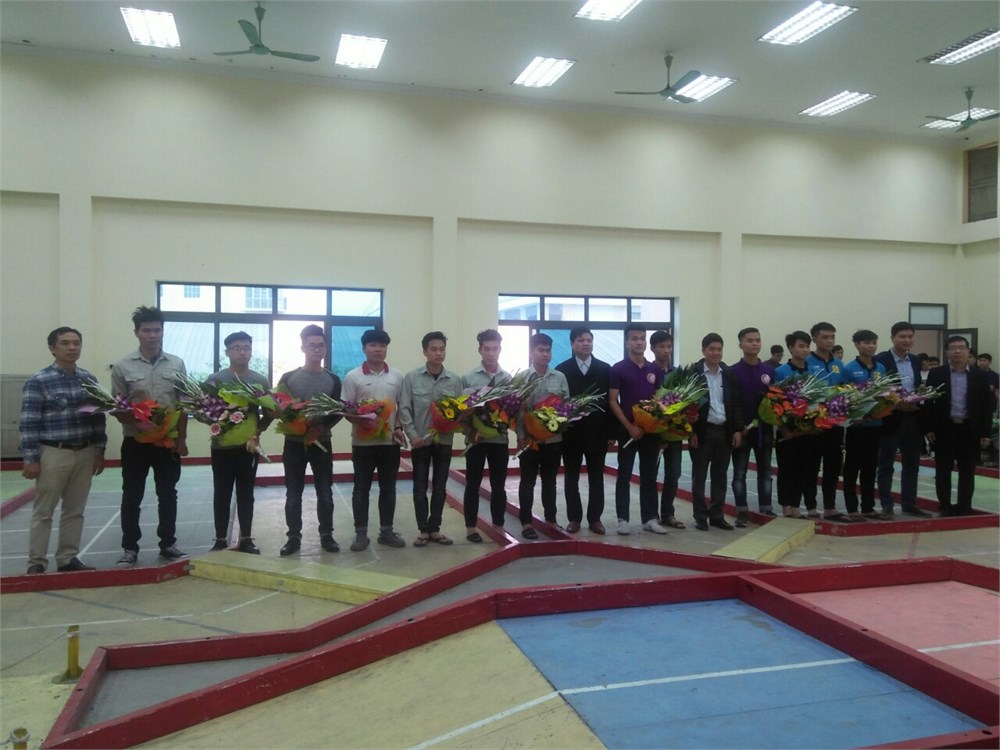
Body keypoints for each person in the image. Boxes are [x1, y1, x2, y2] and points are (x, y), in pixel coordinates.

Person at [19, 327, 107, 574]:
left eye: (76, 343)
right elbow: (29, 422)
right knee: (43, 511)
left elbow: (98, 417)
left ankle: (67, 559)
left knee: (75, 510)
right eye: (65, 343)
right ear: (52, 348)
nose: (72, 348)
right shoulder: (39, 381)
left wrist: (99, 451)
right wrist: (30, 458)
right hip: (53, 453)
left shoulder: (89, 379)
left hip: (85, 452)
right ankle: (36, 562)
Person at [112, 306, 189, 567]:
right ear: (137, 333)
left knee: (168, 494)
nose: (152, 335)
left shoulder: (177, 364)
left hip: (167, 443)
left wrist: (181, 440)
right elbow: (117, 407)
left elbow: (183, 404)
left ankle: (168, 543)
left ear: (163, 332)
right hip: (135, 442)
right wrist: (139, 423)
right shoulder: (122, 366)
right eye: (147, 330)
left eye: (157, 330)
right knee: (132, 495)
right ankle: (130, 547)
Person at [276, 325, 342, 556]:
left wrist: (321, 427)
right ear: (302, 347)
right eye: (312, 345)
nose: (316, 349)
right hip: (294, 444)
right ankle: (293, 537)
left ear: (325, 349)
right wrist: (296, 423)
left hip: (322, 443)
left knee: (325, 491)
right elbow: (280, 408)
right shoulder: (288, 378)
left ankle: (327, 535)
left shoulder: (333, 379)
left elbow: (337, 411)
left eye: (320, 345)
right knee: (294, 493)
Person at [206, 332, 271, 554]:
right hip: (221, 448)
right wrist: (217, 424)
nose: (242, 352)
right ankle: (220, 539)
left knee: (246, 493)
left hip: (248, 448)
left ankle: (246, 538)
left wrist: (258, 431)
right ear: (227, 352)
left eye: (246, 348)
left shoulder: (259, 380)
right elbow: (204, 411)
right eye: (237, 348)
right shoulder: (215, 380)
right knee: (221, 493)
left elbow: (269, 412)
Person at [342, 328, 407, 551]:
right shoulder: (353, 376)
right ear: (364, 349)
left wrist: (398, 427)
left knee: (388, 489)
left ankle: (386, 532)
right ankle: (361, 535)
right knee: (361, 489)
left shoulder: (397, 376)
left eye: (382, 345)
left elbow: (400, 407)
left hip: (390, 444)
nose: (378, 349)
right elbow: (346, 409)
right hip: (363, 444)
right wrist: (363, 422)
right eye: (373, 345)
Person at [399, 331, 463, 547]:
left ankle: (435, 528)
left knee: (440, 487)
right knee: (419, 488)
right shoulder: (412, 378)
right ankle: (423, 530)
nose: (438, 353)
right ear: (425, 351)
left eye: (442, 349)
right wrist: (413, 436)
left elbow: (460, 411)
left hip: (444, 441)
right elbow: (405, 408)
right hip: (421, 442)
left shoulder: (454, 380)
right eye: (433, 349)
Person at [922, 336, 993, 516]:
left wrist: (986, 432)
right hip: (944, 429)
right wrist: (928, 428)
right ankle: (945, 506)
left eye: (962, 347)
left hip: (970, 429)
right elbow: (928, 403)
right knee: (943, 470)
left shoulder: (979, 375)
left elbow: (986, 405)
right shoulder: (937, 373)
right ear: (947, 352)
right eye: (953, 347)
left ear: (968, 351)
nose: (958, 351)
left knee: (967, 471)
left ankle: (964, 506)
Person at [609, 324, 668, 536]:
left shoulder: (654, 370)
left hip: (651, 431)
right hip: (628, 431)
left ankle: (650, 518)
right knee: (624, 475)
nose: (639, 342)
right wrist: (629, 426)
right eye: (634, 338)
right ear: (627, 342)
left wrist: (657, 421)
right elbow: (613, 401)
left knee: (649, 476)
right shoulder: (618, 369)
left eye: (642, 338)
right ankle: (623, 519)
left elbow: (658, 400)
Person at [555, 327, 612, 535]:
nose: (586, 343)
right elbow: (558, 403)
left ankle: (595, 519)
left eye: (589, 340)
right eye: (581, 340)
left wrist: (612, 433)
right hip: (572, 433)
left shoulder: (605, 369)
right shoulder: (562, 369)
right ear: (572, 344)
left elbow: (610, 402)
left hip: (598, 432)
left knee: (597, 478)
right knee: (571, 477)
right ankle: (574, 518)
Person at [874, 322, 931, 517]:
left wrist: (918, 399)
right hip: (890, 418)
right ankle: (887, 505)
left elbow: (917, 386)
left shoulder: (915, 360)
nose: (907, 340)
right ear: (893, 338)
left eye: (910, 337)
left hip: (913, 419)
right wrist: (894, 402)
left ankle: (909, 503)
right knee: (886, 464)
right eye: (902, 336)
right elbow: (876, 388)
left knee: (912, 464)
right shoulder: (881, 360)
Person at [517, 333, 570, 539]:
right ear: (532, 352)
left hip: (553, 440)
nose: (545, 354)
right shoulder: (522, 378)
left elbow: (566, 408)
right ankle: (526, 522)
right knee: (527, 482)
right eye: (540, 350)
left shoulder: (559, 377)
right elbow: (518, 411)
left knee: (550, 482)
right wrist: (521, 436)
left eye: (548, 350)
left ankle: (551, 520)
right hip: (529, 441)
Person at [689, 333, 743, 531]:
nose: (715, 353)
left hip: (724, 431)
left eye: (719, 349)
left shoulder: (728, 374)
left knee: (720, 476)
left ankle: (717, 515)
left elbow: (735, 404)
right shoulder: (693, 373)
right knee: (699, 476)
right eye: (711, 349)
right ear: (703, 350)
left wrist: (737, 430)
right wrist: (691, 432)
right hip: (702, 432)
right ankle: (700, 516)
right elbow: (686, 405)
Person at [461, 329, 511, 542]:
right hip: (476, 440)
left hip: (499, 440)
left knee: (499, 485)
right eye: (487, 349)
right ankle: (471, 527)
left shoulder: (507, 379)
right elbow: (461, 413)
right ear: (480, 350)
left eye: (495, 349)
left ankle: (498, 524)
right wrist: (470, 432)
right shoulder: (468, 377)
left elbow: (512, 410)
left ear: (500, 350)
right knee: (473, 484)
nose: (491, 353)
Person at [729, 327, 776, 526]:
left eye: (757, 340)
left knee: (766, 472)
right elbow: (731, 403)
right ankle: (741, 512)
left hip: (764, 431)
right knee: (739, 473)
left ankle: (766, 508)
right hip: (741, 432)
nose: (754, 343)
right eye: (750, 340)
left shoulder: (769, 371)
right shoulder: (732, 372)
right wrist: (738, 428)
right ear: (740, 344)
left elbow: (776, 402)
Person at [842, 330, 888, 520]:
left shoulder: (881, 368)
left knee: (870, 468)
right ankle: (852, 509)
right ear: (856, 345)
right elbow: (843, 397)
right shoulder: (849, 369)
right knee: (852, 468)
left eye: (873, 342)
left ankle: (868, 507)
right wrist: (856, 416)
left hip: (876, 425)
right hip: (856, 426)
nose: (871, 346)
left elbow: (885, 393)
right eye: (866, 343)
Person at [805, 322, 847, 521]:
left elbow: (844, 390)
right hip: (813, 424)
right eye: (825, 337)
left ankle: (830, 507)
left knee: (833, 466)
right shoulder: (806, 362)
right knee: (811, 466)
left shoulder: (839, 364)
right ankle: (811, 507)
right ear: (814, 339)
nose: (829, 341)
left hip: (835, 423)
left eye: (832, 337)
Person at [774, 331, 813, 518]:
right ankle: (786, 504)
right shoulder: (781, 371)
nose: (805, 350)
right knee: (786, 469)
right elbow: (775, 401)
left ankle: (796, 504)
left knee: (802, 469)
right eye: (800, 346)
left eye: (807, 346)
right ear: (791, 348)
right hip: (787, 429)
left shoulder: (812, 371)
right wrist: (784, 429)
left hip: (807, 429)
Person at [650, 330, 684, 530]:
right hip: (654, 432)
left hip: (675, 431)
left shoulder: (677, 374)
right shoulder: (648, 372)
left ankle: (668, 514)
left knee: (673, 474)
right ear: (653, 348)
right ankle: (652, 515)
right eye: (662, 346)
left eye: (669, 346)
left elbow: (684, 401)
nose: (666, 350)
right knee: (651, 475)